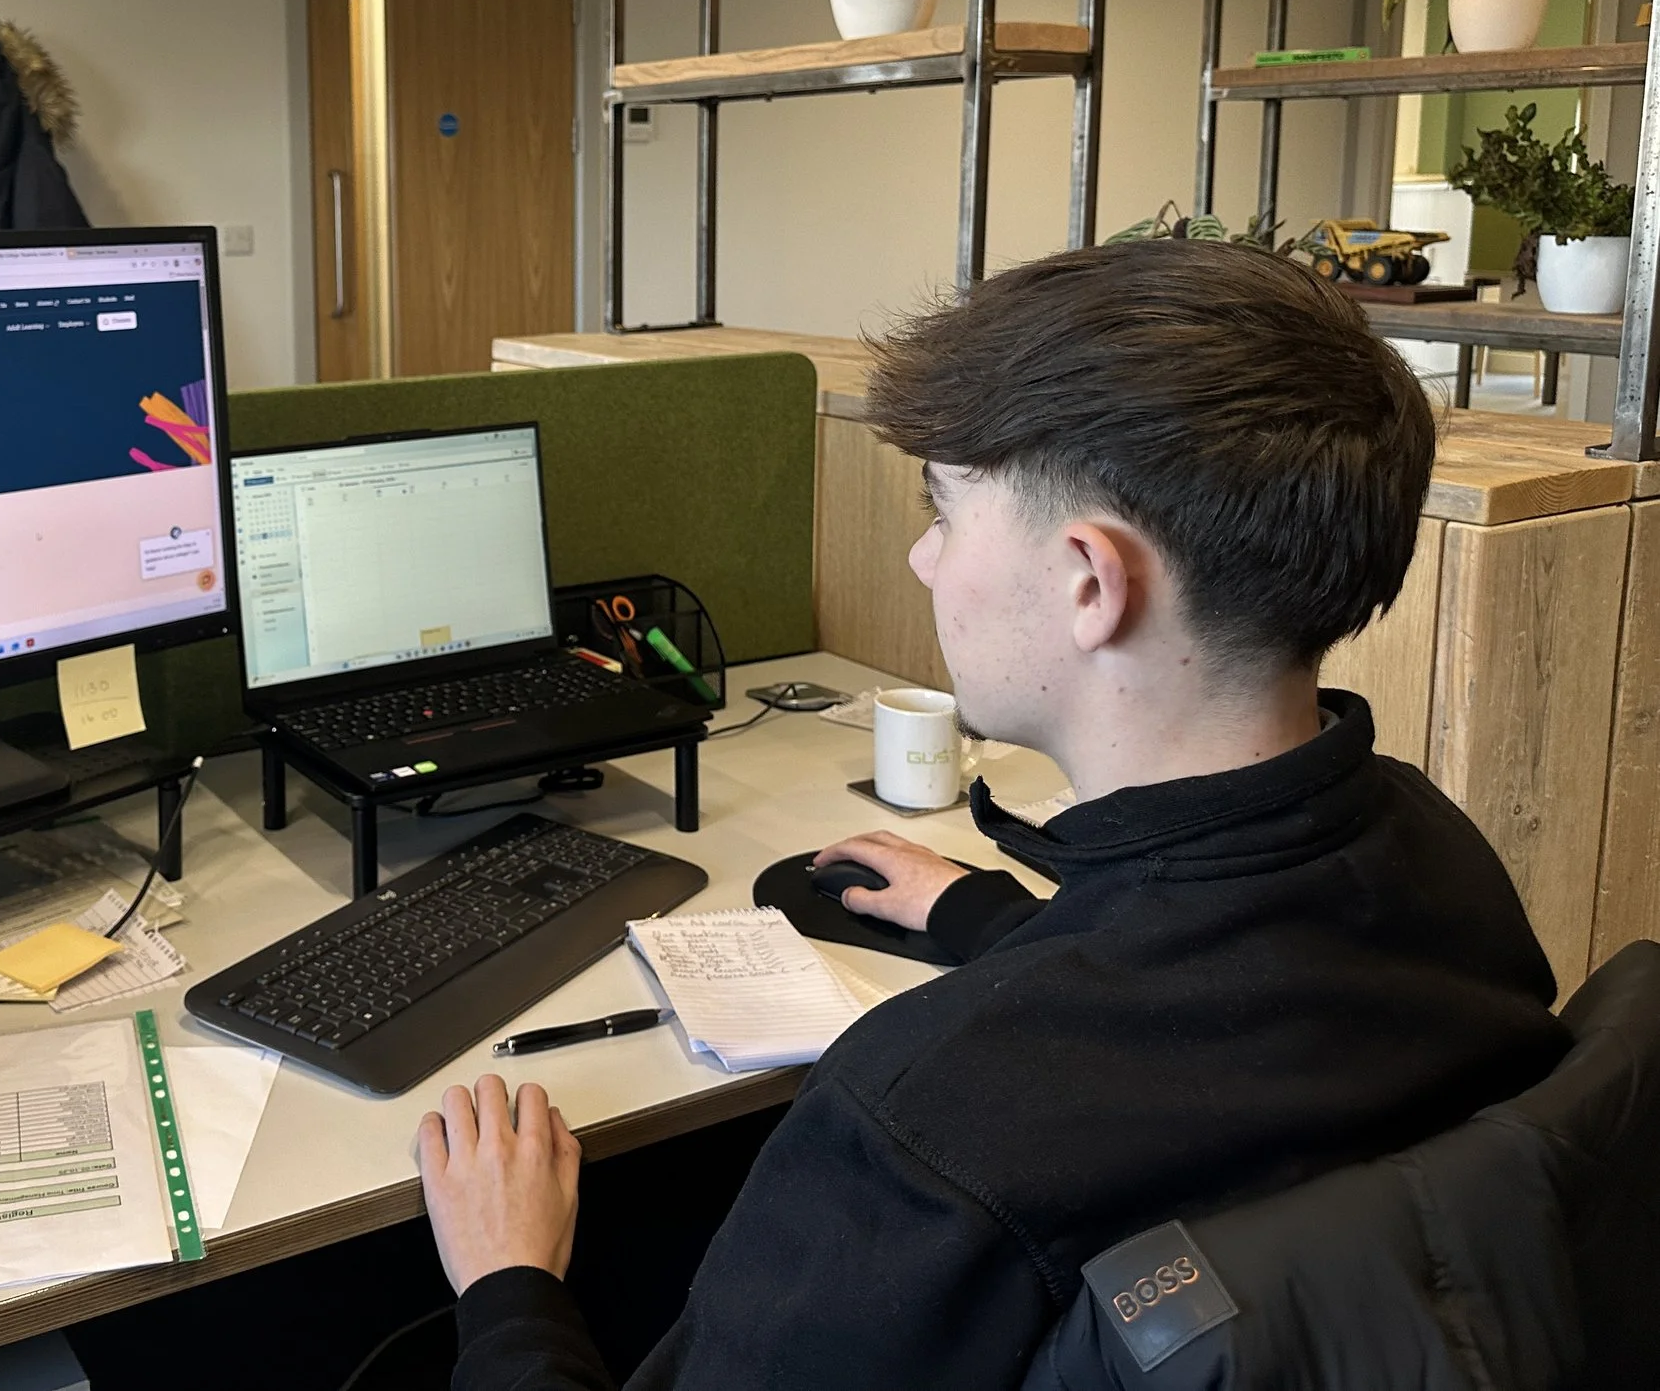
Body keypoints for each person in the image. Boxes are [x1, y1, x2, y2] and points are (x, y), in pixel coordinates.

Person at [415, 240, 1572, 1389]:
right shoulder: (1437, 859)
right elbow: (1224, 1045)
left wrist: (508, 1285)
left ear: (1089, 582)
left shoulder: (927, 1123)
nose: (921, 559)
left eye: (945, 512)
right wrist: (996, 924)